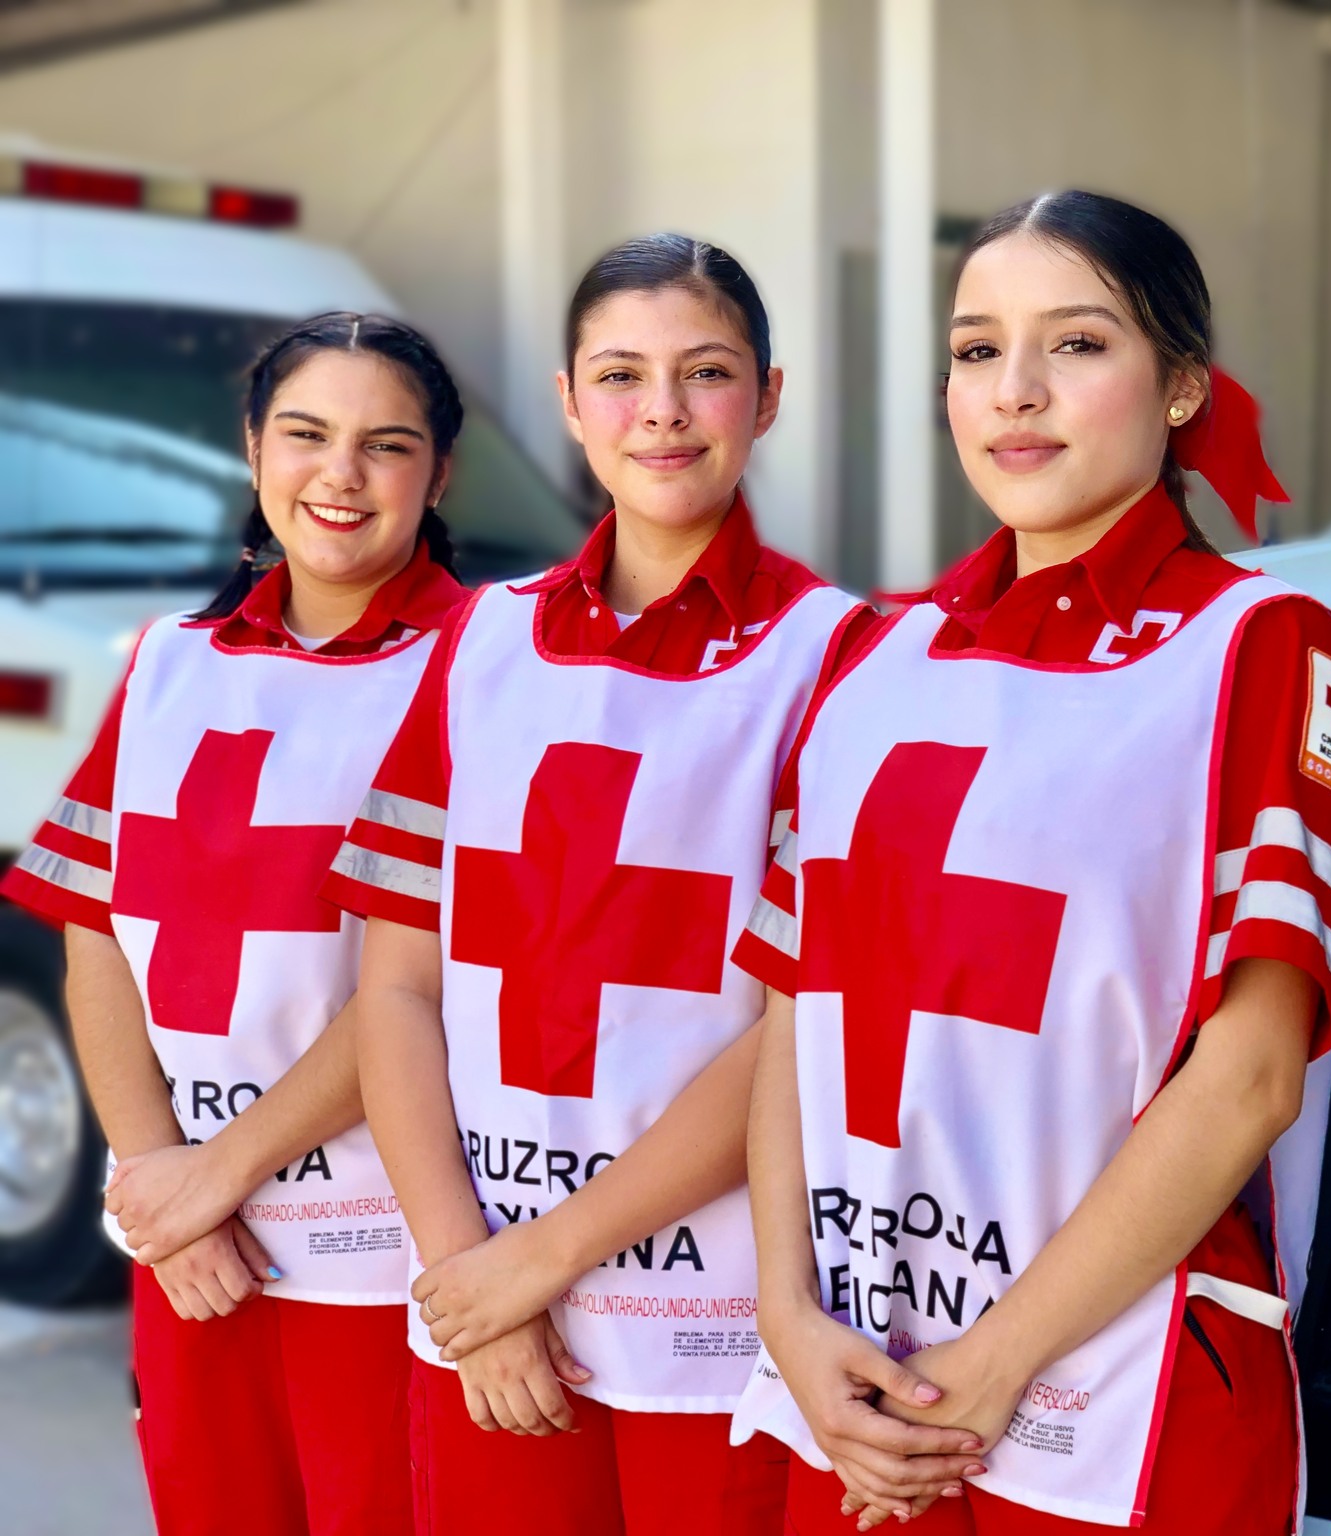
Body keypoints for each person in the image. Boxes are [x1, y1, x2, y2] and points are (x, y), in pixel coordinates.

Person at [730, 189, 1331, 1534]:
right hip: (856, 1395)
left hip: (1117, 1412)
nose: (1016, 392)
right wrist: (785, 1313)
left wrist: (989, 1367)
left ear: (1181, 387)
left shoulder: (1263, 651)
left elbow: (1252, 1077)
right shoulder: (873, 656)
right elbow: (797, 1017)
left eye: (1078, 344)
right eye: (977, 350)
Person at [326, 234, 866, 1536]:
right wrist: (469, 1276)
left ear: (769, 397)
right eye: (620, 375)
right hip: (485, 1323)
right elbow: (395, 991)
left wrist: (541, 1259)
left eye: (706, 372)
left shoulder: (841, 654)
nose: (662, 411)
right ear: (570, 403)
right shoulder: (481, 641)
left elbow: (798, 1029)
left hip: (715, 1334)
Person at [0, 312, 473, 1536]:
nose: (341, 474)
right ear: (253, 447)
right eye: (306, 434)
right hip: (197, 1259)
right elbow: (94, 927)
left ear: (439, 475)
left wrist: (212, 1177)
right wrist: (160, 1189)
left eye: (387, 444)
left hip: (388, 1258)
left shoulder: (487, 667)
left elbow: (418, 986)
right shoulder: (169, 660)